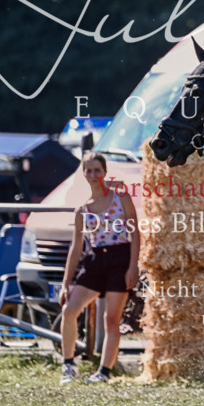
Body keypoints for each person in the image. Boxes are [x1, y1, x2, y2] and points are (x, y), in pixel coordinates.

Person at [59, 152, 139, 384]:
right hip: (95, 259)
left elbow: (135, 232)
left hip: (119, 257)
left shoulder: (120, 197)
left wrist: (133, 267)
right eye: (89, 171)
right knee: (70, 310)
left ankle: (104, 371)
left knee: (111, 319)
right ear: (84, 173)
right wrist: (66, 283)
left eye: (97, 170)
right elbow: (76, 248)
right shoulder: (82, 210)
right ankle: (68, 365)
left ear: (104, 172)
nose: (93, 175)